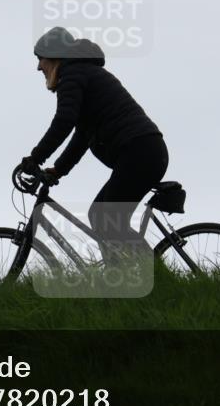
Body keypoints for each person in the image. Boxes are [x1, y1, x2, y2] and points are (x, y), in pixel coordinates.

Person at [21, 27, 169, 266]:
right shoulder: (82, 73)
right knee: (101, 216)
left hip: (139, 152)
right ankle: (127, 277)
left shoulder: (73, 73)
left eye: (40, 59)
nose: (39, 67)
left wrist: (36, 157)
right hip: (144, 151)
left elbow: (64, 122)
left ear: (54, 56)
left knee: (106, 218)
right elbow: (81, 136)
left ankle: (152, 278)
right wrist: (58, 170)